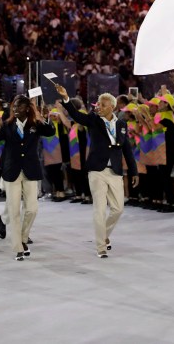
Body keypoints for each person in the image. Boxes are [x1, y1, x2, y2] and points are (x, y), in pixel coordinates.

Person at [55, 84, 139, 258]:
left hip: (115, 171)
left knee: (118, 209)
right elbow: (76, 115)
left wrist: (134, 171)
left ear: (112, 107)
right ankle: (101, 246)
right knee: (99, 210)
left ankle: (103, 235)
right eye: (98, 104)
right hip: (96, 171)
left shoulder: (122, 124)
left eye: (102, 104)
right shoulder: (93, 120)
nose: (98, 107)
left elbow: (127, 150)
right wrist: (66, 98)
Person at [0, 95, 55, 260]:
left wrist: (41, 117)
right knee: (14, 210)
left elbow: (50, 132)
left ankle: (23, 237)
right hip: (12, 171)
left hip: (30, 171)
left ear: (27, 108)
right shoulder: (7, 125)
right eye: (14, 106)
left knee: (31, 209)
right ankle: (18, 247)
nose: (15, 109)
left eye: (19, 107)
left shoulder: (35, 124)